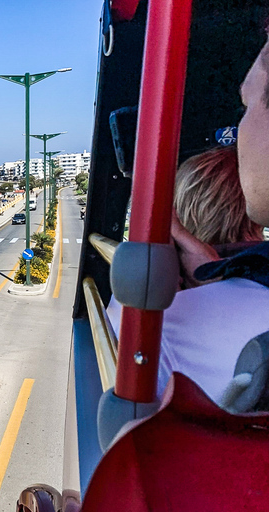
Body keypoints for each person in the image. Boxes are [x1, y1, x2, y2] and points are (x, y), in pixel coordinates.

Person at [111, 36, 269, 403]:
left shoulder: (167, 322)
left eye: (247, 109)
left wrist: (156, 270)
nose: (241, 130)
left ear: (181, 213)